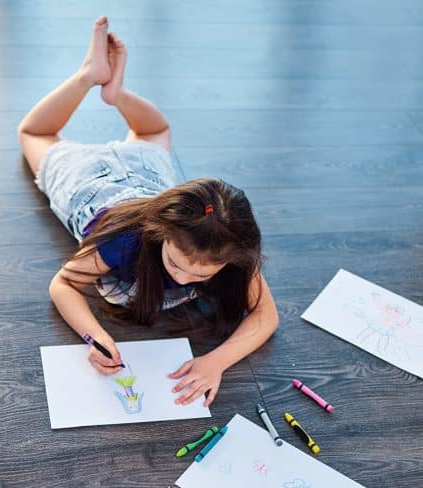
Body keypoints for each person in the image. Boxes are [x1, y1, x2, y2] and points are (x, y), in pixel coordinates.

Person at [17, 17, 279, 408]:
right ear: (160, 231)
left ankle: (115, 92)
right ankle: (90, 74)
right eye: (176, 264)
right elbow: (63, 284)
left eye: (200, 274)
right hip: (91, 184)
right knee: (34, 134)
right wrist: (94, 336)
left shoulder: (228, 242)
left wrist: (215, 361)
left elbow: (266, 317)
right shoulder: (124, 240)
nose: (185, 276)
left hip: (146, 172)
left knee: (154, 133)